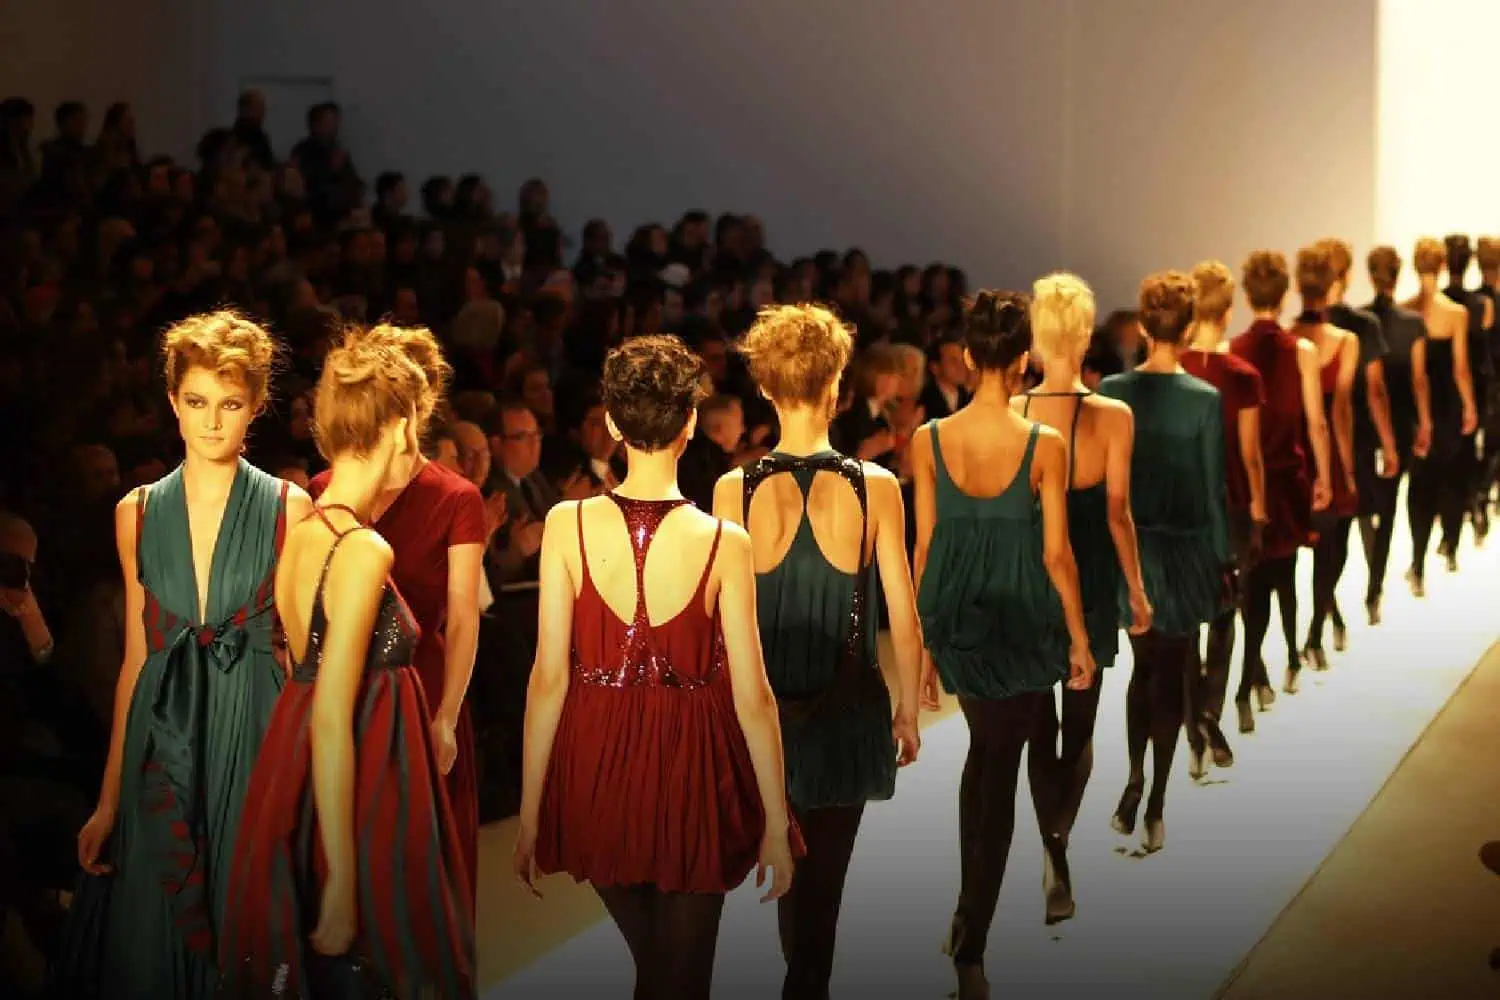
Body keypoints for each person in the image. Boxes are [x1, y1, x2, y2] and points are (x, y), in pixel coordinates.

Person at [513, 335, 801, 1000]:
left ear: (614, 425)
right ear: (690, 422)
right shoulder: (725, 541)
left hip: (596, 764)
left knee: (662, 973)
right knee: (680, 979)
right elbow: (754, 696)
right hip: (691, 767)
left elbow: (548, 678)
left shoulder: (565, 524)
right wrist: (777, 822)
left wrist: (530, 815)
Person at [59, 310, 311, 1000]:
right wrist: (107, 801)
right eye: (197, 402)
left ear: (255, 405)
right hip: (160, 731)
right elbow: (136, 659)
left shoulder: (289, 508)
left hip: (254, 727)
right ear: (173, 401)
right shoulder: (136, 513)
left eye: (229, 404)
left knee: (248, 924)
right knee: (156, 930)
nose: (211, 421)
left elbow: (299, 657)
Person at [217, 329, 474, 999]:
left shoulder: (306, 534)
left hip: (311, 772)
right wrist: (340, 882)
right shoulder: (362, 549)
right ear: (398, 425)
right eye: (413, 424)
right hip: (365, 782)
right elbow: (332, 714)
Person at [715, 304, 923, 1000]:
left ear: (765, 388)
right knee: (822, 890)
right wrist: (908, 711)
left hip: (764, 715)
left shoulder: (733, 489)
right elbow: (902, 610)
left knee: (790, 874)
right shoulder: (876, 486)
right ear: (836, 386)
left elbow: (725, 621)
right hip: (847, 710)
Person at [910, 290, 1094, 1000]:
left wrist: (922, 649)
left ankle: (967, 920)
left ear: (966, 357)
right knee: (997, 767)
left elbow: (925, 549)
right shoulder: (1044, 444)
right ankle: (972, 946)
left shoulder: (928, 439)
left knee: (986, 757)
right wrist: (1079, 639)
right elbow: (1057, 556)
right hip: (1021, 623)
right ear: (1023, 361)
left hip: (958, 618)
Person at [308, 324, 486, 908]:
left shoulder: (456, 497)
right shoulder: (326, 488)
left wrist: (447, 714)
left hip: (425, 688)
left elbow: (463, 617)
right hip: (345, 693)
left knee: (426, 872)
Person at [1017, 273, 1149, 922]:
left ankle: (1051, 844)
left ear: (1037, 339)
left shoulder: (1015, 414)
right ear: (1086, 336)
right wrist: (1137, 589)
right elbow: (1118, 513)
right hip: (1091, 578)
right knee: (1082, 721)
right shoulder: (1113, 416)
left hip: (1032, 580)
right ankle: (1058, 842)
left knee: (1039, 727)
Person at [1098, 271, 1230, 853]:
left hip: (1133, 547)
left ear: (1145, 326)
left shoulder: (1113, 391)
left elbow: (1106, 488)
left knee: (1142, 670)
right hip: (1185, 550)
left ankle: (1133, 778)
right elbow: (1212, 489)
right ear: (1191, 326)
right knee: (1174, 675)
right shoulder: (1204, 399)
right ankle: (1155, 805)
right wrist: (1223, 557)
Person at [1231, 252, 1332, 720]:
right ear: (1286, 293)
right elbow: (1316, 424)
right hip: (1288, 476)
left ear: (1247, 294)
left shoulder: (1233, 351)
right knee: (1285, 572)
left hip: (1248, 478)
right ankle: (1287, 659)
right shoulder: (1302, 351)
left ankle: (1255, 675)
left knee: (1252, 580)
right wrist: (1325, 477)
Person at [1182, 260, 1267, 770]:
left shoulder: (1175, 371)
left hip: (1184, 510)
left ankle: (1194, 728)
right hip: (1231, 506)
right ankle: (1210, 711)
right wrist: (1259, 511)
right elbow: (1250, 454)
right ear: (1229, 311)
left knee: (1187, 619)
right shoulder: (1242, 376)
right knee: (1224, 612)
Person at [1288, 246, 1360, 677]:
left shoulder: (1287, 339)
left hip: (1291, 453)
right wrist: (1346, 470)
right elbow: (1340, 414)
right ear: (1333, 287)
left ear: (1298, 287)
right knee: (1332, 549)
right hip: (1326, 451)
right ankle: (1315, 633)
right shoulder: (1345, 342)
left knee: (1289, 557)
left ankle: (1305, 637)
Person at [1405, 237, 1479, 589]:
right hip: (1447, 405)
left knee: (1420, 485)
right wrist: (1470, 405)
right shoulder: (1456, 314)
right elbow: (1460, 368)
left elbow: (1413, 374)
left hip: (1415, 408)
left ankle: (1417, 563)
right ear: (1442, 266)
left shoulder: (1406, 311)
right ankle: (1450, 547)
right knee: (1450, 478)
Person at [1361, 247, 1427, 623]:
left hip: (1365, 426)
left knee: (1373, 508)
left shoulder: (1360, 321)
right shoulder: (1412, 324)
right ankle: (1390, 581)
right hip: (1401, 424)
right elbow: (1418, 380)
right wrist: (1426, 423)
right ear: (1398, 275)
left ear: (1371, 276)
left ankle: (1373, 587)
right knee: (1397, 506)